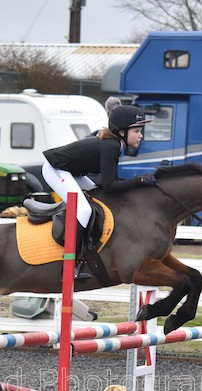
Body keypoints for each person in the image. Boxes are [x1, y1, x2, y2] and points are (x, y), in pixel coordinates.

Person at [42, 104, 156, 278]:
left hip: (71, 171)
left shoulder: (114, 144)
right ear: (122, 132)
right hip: (55, 169)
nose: (141, 136)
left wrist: (140, 183)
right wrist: (140, 180)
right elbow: (111, 186)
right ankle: (69, 264)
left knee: (96, 194)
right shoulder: (111, 147)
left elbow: (109, 184)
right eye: (137, 131)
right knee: (84, 209)